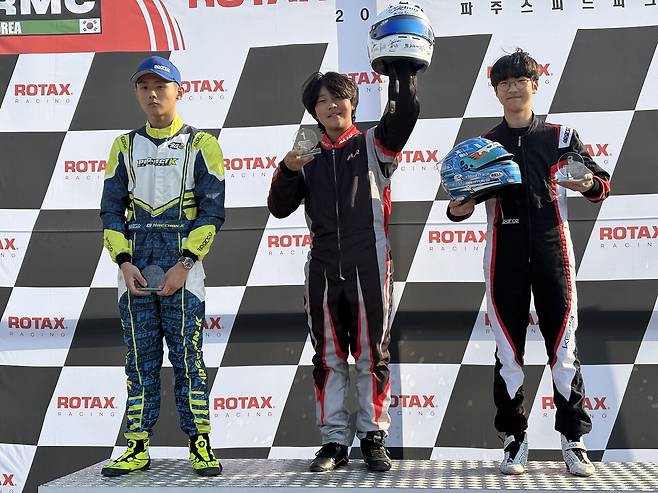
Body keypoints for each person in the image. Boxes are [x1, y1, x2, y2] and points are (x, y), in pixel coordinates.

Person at [447, 49, 610, 477]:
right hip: (504, 255)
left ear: (535, 84)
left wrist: (587, 182)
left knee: (564, 351)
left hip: (554, 252)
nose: (513, 88)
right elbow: (459, 205)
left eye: (521, 80)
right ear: (496, 91)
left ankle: (573, 439)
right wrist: (460, 205)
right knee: (508, 353)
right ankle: (514, 440)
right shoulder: (483, 146)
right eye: (504, 83)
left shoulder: (561, 137)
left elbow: (600, 186)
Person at [267, 61, 420, 472]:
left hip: (368, 263)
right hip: (322, 267)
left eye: (338, 98)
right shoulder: (305, 155)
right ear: (313, 111)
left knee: (372, 354)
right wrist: (287, 170)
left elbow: (405, 113)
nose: (332, 106)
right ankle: (333, 441)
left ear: (352, 102)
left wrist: (403, 71)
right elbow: (278, 207)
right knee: (328, 357)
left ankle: (373, 437)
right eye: (322, 101)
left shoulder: (374, 143)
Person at [99, 56, 225, 477]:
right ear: (137, 93)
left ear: (178, 91)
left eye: (160, 86)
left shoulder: (202, 143)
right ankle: (136, 445)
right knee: (140, 360)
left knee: (189, 358)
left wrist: (185, 263)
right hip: (134, 269)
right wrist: (124, 262)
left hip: (183, 269)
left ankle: (200, 442)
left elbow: (212, 212)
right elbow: (111, 211)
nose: (152, 94)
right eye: (144, 87)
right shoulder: (123, 145)